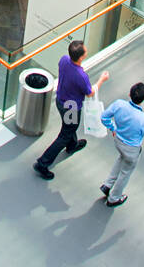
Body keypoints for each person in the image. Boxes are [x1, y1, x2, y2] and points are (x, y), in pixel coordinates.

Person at [33, 40, 109, 179]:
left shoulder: (64, 60)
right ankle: (43, 163)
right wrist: (101, 80)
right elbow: (90, 92)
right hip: (71, 107)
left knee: (69, 128)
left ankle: (72, 145)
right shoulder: (81, 75)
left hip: (61, 100)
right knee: (65, 134)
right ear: (81, 57)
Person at [100, 81, 144, 207]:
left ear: (129, 94)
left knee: (121, 158)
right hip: (132, 150)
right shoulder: (143, 120)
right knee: (125, 173)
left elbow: (104, 117)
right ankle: (114, 198)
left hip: (118, 142)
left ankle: (107, 184)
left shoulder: (119, 104)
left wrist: (112, 128)